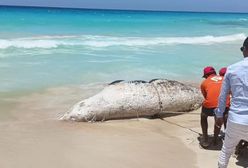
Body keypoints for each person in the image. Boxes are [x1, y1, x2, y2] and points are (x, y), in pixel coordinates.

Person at [215, 37, 248, 168]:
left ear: (245, 49)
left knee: (226, 151)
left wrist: (219, 115)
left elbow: (223, 96)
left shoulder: (232, 69)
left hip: (236, 119)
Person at [200, 66, 230, 148]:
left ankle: (205, 138)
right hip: (224, 106)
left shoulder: (204, 82)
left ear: (206, 75)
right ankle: (216, 139)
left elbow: (206, 97)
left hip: (210, 106)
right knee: (221, 113)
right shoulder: (225, 79)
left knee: (203, 116)